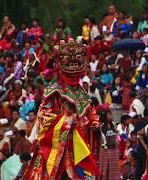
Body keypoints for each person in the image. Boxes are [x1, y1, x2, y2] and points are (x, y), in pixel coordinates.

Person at [23, 40, 100, 179]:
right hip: (58, 145)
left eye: (77, 62)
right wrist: (67, 122)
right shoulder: (54, 91)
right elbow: (43, 117)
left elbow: (90, 110)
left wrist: (94, 123)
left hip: (79, 144)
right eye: (69, 63)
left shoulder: (82, 93)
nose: (73, 66)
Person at [99, 110, 121, 180]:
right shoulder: (100, 126)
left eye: (110, 114)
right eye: (108, 114)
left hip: (114, 149)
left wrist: (117, 140)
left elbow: (117, 133)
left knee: (114, 168)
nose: (110, 116)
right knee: (105, 168)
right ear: (104, 116)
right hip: (105, 149)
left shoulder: (113, 124)